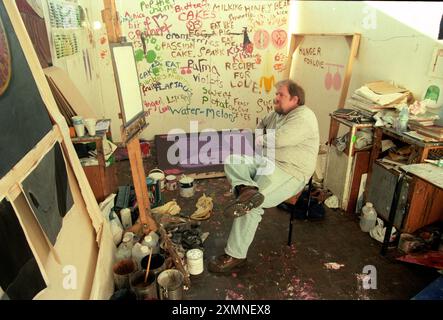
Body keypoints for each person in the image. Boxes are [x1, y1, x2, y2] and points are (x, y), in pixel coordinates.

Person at [208, 79, 320, 273]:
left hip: (291, 172)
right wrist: (262, 140)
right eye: (276, 94)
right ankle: (247, 189)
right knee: (233, 160)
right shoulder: (277, 113)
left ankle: (235, 255)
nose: (275, 98)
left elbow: (281, 138)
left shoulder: (304, 116)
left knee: (251, 207)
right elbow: (260, 126)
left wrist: (261, 140)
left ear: (295, 99)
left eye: (281, 95)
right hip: (269, 163)